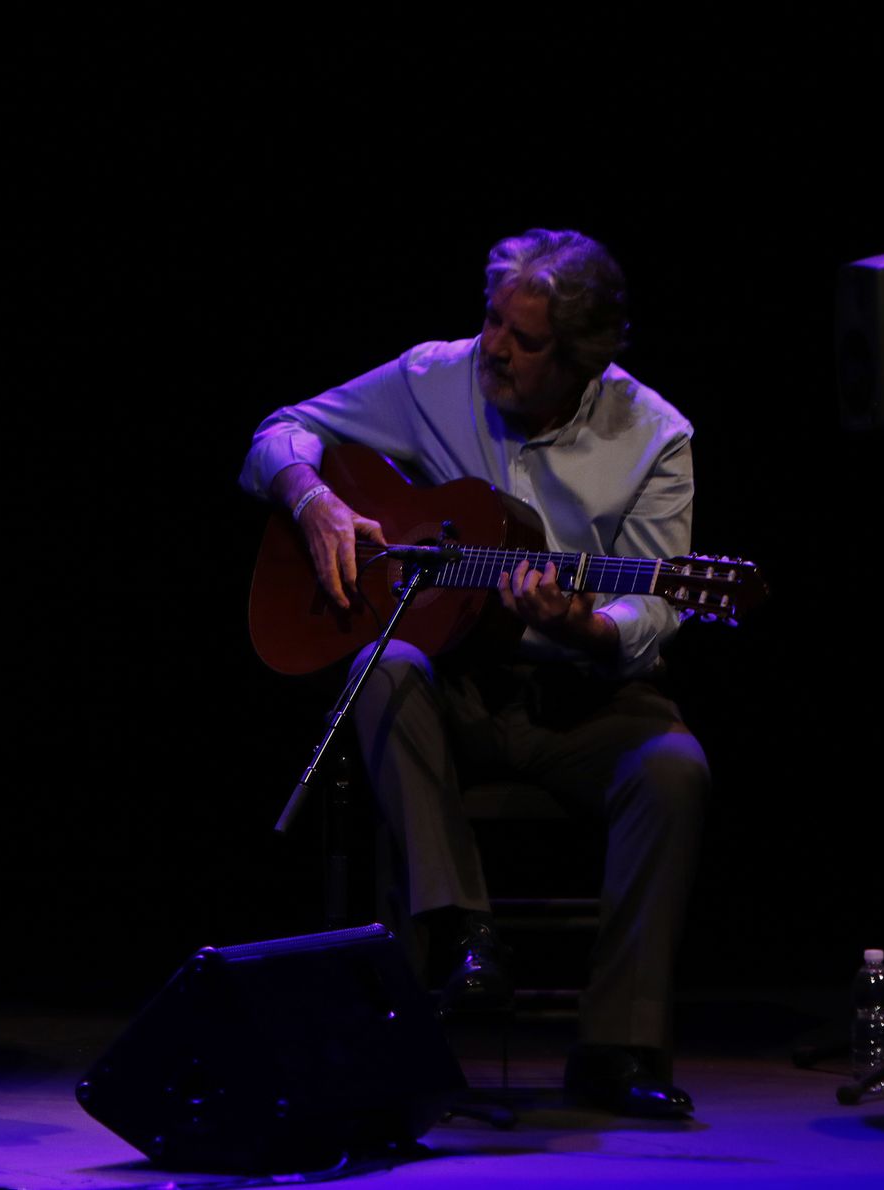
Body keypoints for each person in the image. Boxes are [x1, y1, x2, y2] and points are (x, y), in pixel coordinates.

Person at [239, 229, 708, 1117]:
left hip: (584, 697)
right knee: (381, 668)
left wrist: (585, 624)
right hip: (454, 686)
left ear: (580, 358)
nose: (495, 347)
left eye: (525, 341)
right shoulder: (432, 377)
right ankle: (462, 931)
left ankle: (620, 1046)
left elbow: (655, 605)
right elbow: (277, 433)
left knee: (675, 769)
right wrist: (314, 500)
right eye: (493, 320)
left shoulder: (655, 435)